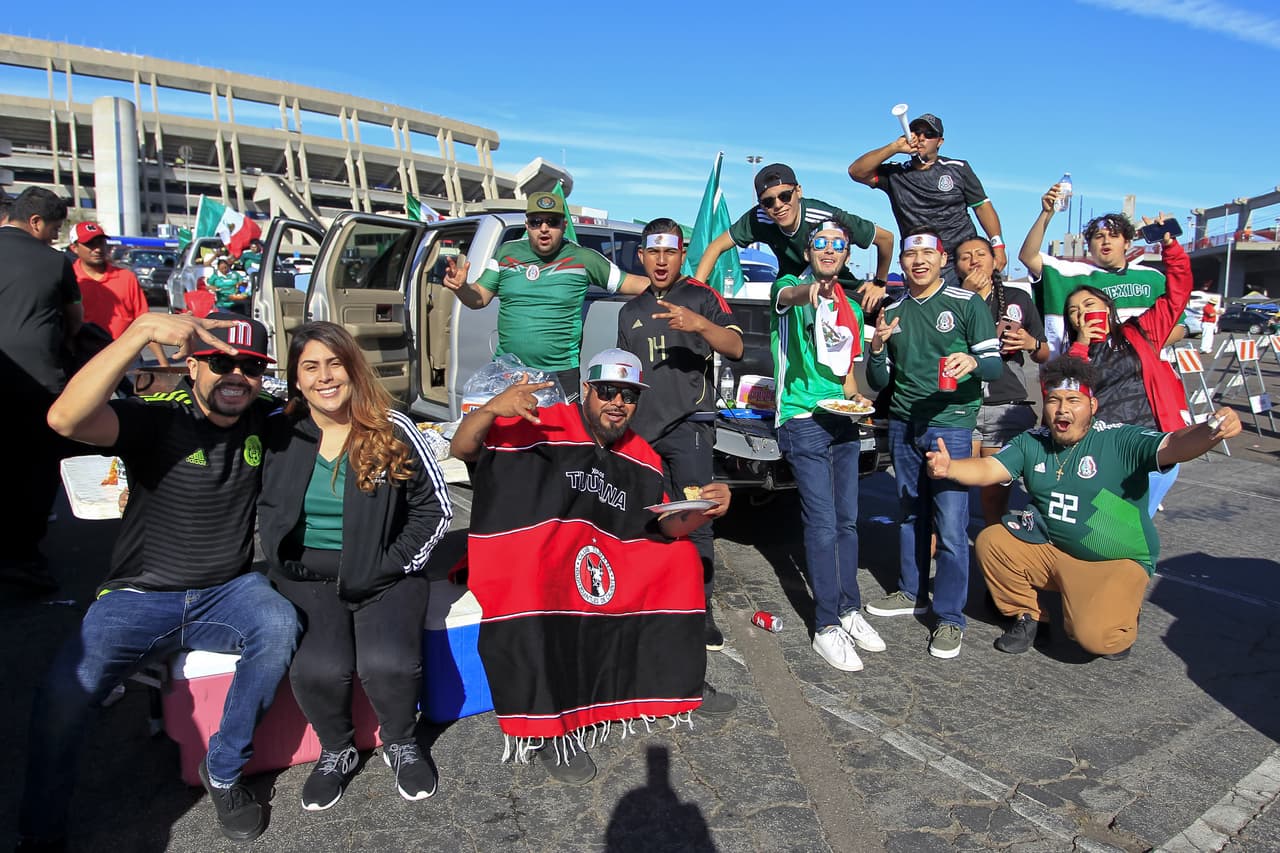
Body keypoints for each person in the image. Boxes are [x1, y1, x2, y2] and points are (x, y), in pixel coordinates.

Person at [19, 312, 300, 847]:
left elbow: (336, 406)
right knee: (60, 701)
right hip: (139, 596)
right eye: (221, 363)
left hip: (228, 590)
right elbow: (64, 420)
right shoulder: (156, 418)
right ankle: (40, 834)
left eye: (250, 366)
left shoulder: (266, 415)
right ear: (192, 366)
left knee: (279, 624)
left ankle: (222, 769)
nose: (235, 375)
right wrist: (137, 335)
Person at [450, 348, 733, 785]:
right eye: (606, 391)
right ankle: (548, 731)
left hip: (604, 558)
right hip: (540, 553)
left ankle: (676, 686)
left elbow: (663, 527)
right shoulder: (541, 421)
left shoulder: (643, 455)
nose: (616, 402)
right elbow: (463, 447)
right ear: (587, 389)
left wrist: (705, 510)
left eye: (628, 394)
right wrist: (491, 409)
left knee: (680, 561)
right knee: (533, 581)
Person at [926, 355, 1242, 658]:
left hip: (1113, 560)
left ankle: (1121, 606)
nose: (1062, 410)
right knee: (993, 541)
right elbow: (989, 469)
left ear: (1092, 405)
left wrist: (1211, 431)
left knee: (1096, 639)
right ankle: (1030, 615)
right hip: (1052, 548)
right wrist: (949, 467)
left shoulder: (1119, 440)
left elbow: (1173, 444)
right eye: (1054, 400)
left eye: (1073, 401)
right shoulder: (1032, 441)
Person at [258, 322, 452, 811]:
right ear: (295, 379)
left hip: (384, 572)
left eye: (334, 363)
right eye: (310, 367)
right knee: (320, 668)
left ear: (352, 368)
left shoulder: (390, 428)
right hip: (306, 576)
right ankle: (337, 751)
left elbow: (435, 509)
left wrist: (390, 564)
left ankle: (402, 741)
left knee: (386, 662)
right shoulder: (278, 432)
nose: (325, 377)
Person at [863, 230, 1003, 659]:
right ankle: (911, 592)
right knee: (908, 512)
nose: (918, 260)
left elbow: (995, 366)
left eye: (927, 253)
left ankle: (949, 617)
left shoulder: (967, 303)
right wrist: (877, 350)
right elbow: (880, 382)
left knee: (952, 524)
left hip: (952, 424)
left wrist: (975, 362)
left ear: (942, 259)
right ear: (901, 262)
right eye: (910, 253)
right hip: (906, 422)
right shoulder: (895, 308)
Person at [617, 218, 743, 651]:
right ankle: (651, 601)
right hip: (642, 432)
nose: (661, 261)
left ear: (682, 253)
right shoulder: (629, 311)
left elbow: (737, 347)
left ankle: (699, 610)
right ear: (642, 256)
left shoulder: (702, 297)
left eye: (669, 252)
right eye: (653, 252)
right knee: (646, 518)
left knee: (698, 518)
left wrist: (699, 325)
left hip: (691, 425)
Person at [771, 221, 886, 671]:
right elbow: (786, 301)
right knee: (821, 522)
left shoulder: (852, 307)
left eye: (838, 245)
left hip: (842, 419)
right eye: (820, 243)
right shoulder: (790, 286)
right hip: (801, 418)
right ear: (808, 251)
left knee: (847, 521)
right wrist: (810, 295)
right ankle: (825, 625)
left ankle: (848, 608)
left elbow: (849, 378)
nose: (829, 250)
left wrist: (858, 398)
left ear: (845, 255)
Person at [441, 192, 650, 402]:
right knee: (509, 433)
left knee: (559, 434)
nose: (543, 228)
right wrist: (461, 288)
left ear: (564, 225)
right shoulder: (505, 254)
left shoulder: (583, 258)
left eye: (552, 222)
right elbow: (479, 298)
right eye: (536, 222)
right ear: (527, 225)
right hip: (509, 372)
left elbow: (630, 282)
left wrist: (678, 286)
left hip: (560, 374)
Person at [1, 187, 81, 593]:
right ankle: (21, 558)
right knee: (33, 472)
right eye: (53, 227)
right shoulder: (54, 262)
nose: (54, 236)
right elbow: (75, 320)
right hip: (38, 386)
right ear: (35, 222)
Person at [692, 163, 895, 312]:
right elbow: (715, 247)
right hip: (793, 294)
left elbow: (886, 238)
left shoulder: (825, 216)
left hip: (841, 289)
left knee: (890, 317)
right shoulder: (759, 218)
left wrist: (879, 282)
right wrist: (696, 294)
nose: (778, 205)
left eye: (785, 196)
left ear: (798, 191)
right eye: (768, 201)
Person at [954, 236, 1050, 525]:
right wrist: (967, 296)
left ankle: (990, 552)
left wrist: (1029, 342)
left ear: (995, 260)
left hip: (1005, 404)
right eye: (965, 256)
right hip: (961, 403)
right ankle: (937, 554)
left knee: (995, 495)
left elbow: (1044, 353)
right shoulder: (950, 298)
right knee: (952, 490)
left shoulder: (1017, 299)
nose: (974, 260)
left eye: (980, 253)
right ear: (956, 266)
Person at [848, 112, 1006, 284]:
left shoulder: (958, 168)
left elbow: (982, 206)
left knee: (970, 306)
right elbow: (856, 172)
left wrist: (998, 246)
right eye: (916, 132)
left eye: (929, 134)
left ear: (940, 141)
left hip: (961, 260)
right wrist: (894, 147)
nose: (921, 137)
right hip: (921, 260)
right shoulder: (896, 174)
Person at [1019, 187, 1180, 355]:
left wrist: (1135, 347)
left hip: (1144, 372)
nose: (1106, 241)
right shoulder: (1069, 273)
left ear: (1127, 243)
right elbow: (1028, 256)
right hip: (1086, 372)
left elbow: (1178, 327)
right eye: (1098, 236)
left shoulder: (1152, 277)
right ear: (1089, 245)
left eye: (1114, 235)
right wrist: (1046, 213)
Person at [69, 221, 168, 366]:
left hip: (127, 356)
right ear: (74, 248)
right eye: (90, 244)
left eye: (101, 243)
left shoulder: (126, 278)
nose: (97, 249)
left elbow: (144, 321)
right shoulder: (70, 279)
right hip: (85, 360)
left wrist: (163, 361)